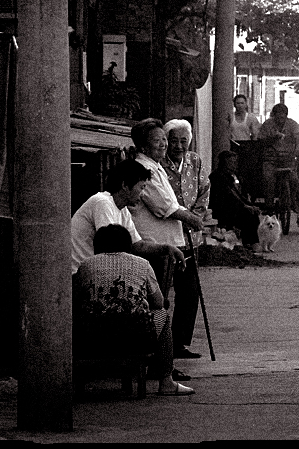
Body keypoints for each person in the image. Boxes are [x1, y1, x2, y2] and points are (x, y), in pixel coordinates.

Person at [73, 224, 194, 396]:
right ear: (128, 245)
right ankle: (166, 381)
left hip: (93, 337)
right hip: (137, 336)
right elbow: (159, 302)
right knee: (163, 316)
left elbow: (75, 300)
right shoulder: (142, 264)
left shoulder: (85, 265)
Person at [127, 118, 204, 377]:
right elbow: (164, 207)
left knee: (172, 298)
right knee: (157, 303)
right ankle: (158, 362)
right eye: (159, 140)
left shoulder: (156, 167)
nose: (164, 144)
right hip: (154, 245)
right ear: (143, 145)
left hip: (170, 244)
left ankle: (167, 354)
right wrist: (191, 218)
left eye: (164, 139)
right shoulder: (142, 169)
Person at [71, 157, 184, 276]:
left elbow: (137, 245)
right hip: (79, 274)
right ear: (125, 185)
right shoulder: (102, 202)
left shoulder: (123, 209)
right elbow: (109, 248)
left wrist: (166, 248)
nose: (143, 194)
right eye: (141, 187)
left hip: (96, 273)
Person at [162, 118, 210, 360]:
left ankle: (180, 342)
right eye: (173, 140)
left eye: (183, 141)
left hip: (191, 234)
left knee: (190, 290)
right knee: (162, 291)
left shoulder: (195, 161)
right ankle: (161, 344)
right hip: (167, 234)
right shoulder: (159, 164)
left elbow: (204, 190)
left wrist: (195, 217)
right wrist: (181, 218)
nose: (178, 146)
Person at [208, 150, 262, 250]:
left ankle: (250, 243)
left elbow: (239, 196)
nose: (234, 165)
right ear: (224, 163)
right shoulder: (218, 177)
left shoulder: (230, 177)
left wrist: (250, 205)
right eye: (231, 162)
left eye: (235, 162)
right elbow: (230, 197)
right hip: (222, 211)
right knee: (248, 214)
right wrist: (245, 206)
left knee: (253, 213)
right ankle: (250, 243)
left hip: (232, 207)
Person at [258, 103, 299, 207]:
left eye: (283, 116)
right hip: (271, 158)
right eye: (278, 117)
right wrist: (273, 138)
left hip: (288, 159)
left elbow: (297, 139)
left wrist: (297, 150)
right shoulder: (267, 125)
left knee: (294, 179)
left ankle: (292, 200)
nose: (280, 119)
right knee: (268, 179)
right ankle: (269, 204)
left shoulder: (292, 124)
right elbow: (261, 141)